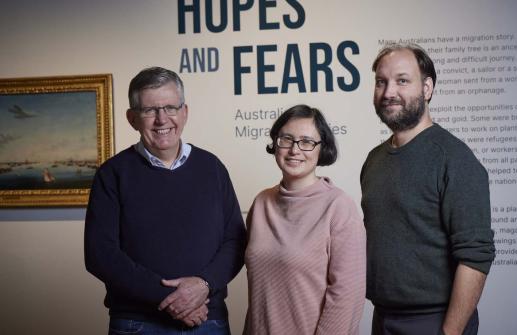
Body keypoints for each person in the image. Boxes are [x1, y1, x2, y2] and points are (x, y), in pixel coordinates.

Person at [84, 66, 246, 334]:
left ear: (185, 112)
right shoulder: (112, 174)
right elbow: (100, 255)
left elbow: (236, 241)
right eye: (150, 110)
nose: (162, 119)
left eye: (170, 107)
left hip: (209, 321)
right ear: (132, 118)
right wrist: (172, 299)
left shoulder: (212, 168)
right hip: (139, 324)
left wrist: (203, 285)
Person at [360, 43, 496, 335]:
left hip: (434, 321)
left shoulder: (454, 159)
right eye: (381, 82)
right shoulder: (374, 160)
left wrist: (449, 332)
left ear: (427, 88)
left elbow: (475, 256)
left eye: (402, 80)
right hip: (383, 317)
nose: (389, 92)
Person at [243, 104, 366, 335]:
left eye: (307, 142)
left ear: (322, 149)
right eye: (287, 139)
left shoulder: (339, 208)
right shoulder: (261, 203)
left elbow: (347, 297)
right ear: (276, 143)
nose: (294, 150)